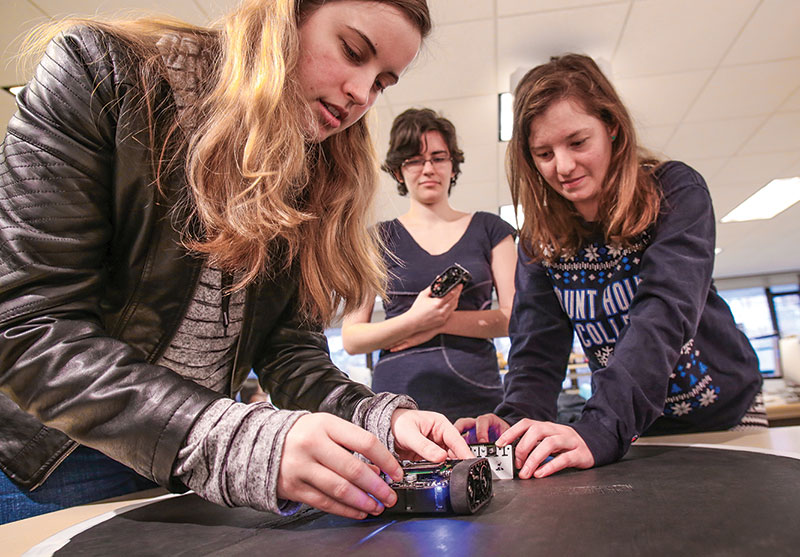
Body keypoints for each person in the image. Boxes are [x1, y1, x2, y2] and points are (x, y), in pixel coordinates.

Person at [0, 0, 475, 524]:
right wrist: (236, 440)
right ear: (284, 17)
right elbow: (28, 325)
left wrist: (376, 420)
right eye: (352, 51)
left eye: (382, 81)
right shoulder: (99, 72)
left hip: (183, 470)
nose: (361, 94)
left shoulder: (312, 167)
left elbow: (289, 350)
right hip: (45, 466)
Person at [456, 54, 766, 480]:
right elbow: (537, 351)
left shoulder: (674, 192)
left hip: (722, 416)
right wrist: (512, 421)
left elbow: (664, 312)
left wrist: (602, 425)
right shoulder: (538, 239)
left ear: (613, 128)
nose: (562, 167)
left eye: (578, 142)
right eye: (544, 153)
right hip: (633, 427)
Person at [341, 108, 517, 421]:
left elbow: (512, 318)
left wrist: (433, 321)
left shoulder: (492, 230)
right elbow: (352, 339)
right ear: (398, 171)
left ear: (453, 165)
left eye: (438, 157)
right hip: (398, 404)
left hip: (477, 396)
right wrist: (414, 322)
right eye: (414, 160)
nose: (428, 169)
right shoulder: (376, 239)